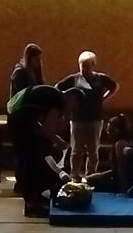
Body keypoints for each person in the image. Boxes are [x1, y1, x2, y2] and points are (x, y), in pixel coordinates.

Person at [8, 84, 81, 217]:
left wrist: (54, 138)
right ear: (72, 98)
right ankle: (32, 205)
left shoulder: (51, 95)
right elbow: (48, 128)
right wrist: (57, 141)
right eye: (73, 107)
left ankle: (35, 198)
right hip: (19, 123)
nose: (70, 112)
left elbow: (39, 124)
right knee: (33, 163)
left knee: (35, 158)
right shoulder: (58, 100)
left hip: (17, 119)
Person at [56, 51, 120, 181]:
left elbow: (114, 86)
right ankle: (74, 176)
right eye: (82, 66)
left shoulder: (100, 79)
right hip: (77, 119)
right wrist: (68, 102)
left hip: (95, 119)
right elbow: (57, 88)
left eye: (87, 66)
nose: (84, 69)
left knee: (93, 151)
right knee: (76, 150)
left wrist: (104, 98)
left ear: (93, 65)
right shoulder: (74, 79)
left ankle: (90, 176)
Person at [8, 43, 44, 193]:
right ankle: (21, 183)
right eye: (36, 59)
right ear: (30, 58)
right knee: (22, 153)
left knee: (30, 153)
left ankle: (28, 182)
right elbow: (22, 96)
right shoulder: (20, 73)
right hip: (20, 119)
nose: (38, 62)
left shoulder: (33, 73)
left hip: (31, 118)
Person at [85, 114, 133, 192]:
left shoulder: (120, 144)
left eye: (110, 130)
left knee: (88, 182)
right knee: (89, 179)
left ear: (118, 130)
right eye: (108, 130)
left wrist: (123, 190)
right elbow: (115, 170)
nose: (108, 133)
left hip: (122, 181)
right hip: (115, 176)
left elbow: (122, 169)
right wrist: (99, 175)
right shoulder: (120, 142)